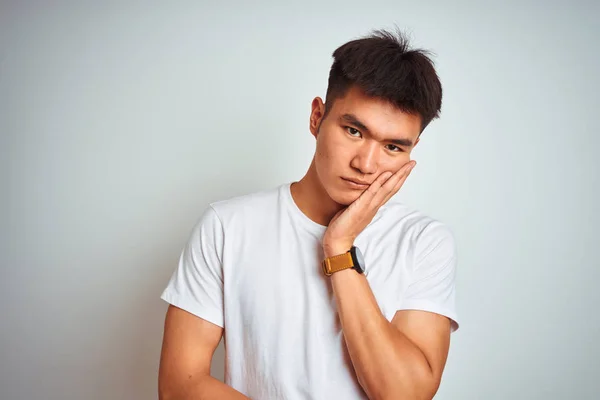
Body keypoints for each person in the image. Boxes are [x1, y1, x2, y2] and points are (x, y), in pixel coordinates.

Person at [158, 28, 459, 400]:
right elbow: (179, 385)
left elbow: (405, 395)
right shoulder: (228, 226)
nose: (366, 164)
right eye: (353, 130)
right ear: (317, 117)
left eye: (393, 147)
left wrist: (339, 248)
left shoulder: (423, 241)